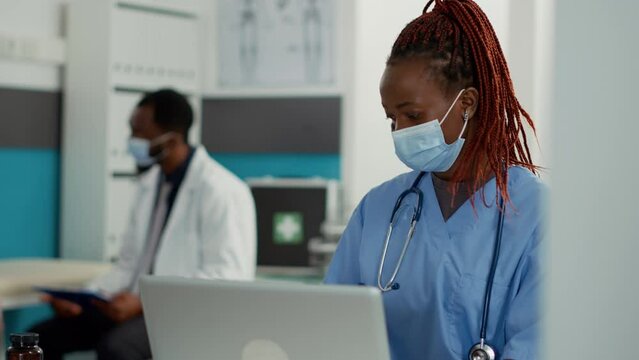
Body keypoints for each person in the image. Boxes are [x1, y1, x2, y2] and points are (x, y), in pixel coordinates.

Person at [324, 1, 544, 359]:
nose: (400, 132)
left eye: (413, 115)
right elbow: (328, 329)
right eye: (391, 119)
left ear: (467, 103)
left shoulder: (538, 217)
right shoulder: (377, 210)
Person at [31, 89, 257, 360]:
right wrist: (85, 297)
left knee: (118, 348)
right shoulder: (151, 184)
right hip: (135, 306)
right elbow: (128, 265)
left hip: (187, 317)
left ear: (171, 139)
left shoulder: (221, 190)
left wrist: (141, 305)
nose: (132, 141)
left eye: (140, 132)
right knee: (38, 340)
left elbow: (228, 279)